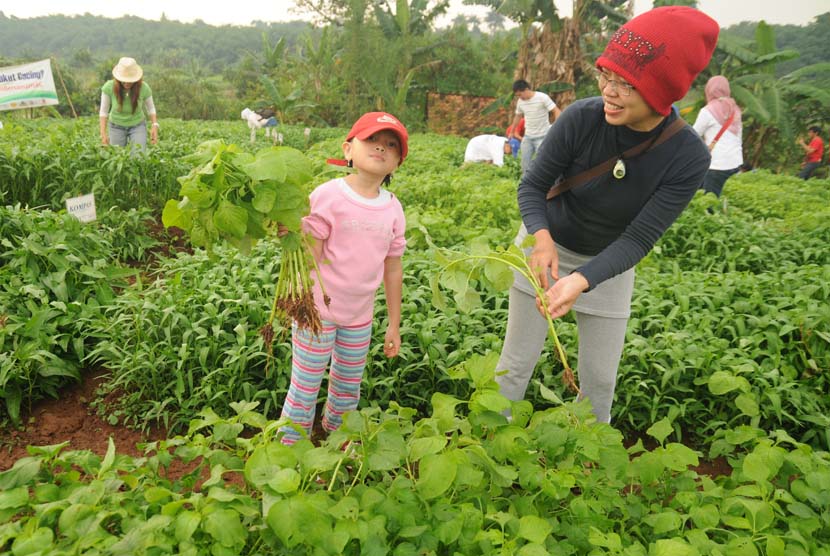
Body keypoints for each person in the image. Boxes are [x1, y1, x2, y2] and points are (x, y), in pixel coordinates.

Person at [496, 6, 719, 424]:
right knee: (515, 363)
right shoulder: (581, 117)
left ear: (663, 90)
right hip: (544, 248)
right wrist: (541, 239)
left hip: (609, 264)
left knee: (599, 380)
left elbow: (638, 239)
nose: (609, 92)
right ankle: (491, 443)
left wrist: (582, 279)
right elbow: (532, 186)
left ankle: (588, 454)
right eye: (605, 76)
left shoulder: (688, 156)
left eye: (626, 83)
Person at [279, 112, 408, 445]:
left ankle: (338, 438)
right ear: (348, 149)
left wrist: (394, 324)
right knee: (305, 385)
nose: (381, 148)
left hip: (360, 317)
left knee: (348, 386)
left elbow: (393, 268)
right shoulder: (329, 195)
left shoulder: (393, 208)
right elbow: (311, 253)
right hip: (317, 313)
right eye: (372, 140)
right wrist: (291, 231)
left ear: (397, 163)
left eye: (391, 145)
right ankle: (290, 447)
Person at [693, 75, 743, 197]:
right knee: (729, 200)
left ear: (709, 90)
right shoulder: (735, 109)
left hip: (717, 165)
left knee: (710, 202)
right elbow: (738, 137)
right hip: (736, 163)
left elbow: (693, 135)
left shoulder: (707, 111)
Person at [99, 57, 158, 150]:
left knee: (138, 154)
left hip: (137, 125)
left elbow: (151, 108)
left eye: (130, 80)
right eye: (124, 80)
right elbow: (103, 111)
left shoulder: (143, 87)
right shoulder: (109, 87)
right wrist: (103, 133)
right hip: (116, 126)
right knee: (117, 155)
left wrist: (154, 125)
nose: (127, 83)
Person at [509, 80, 561, 173]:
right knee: (525, 165)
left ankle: (546, 181)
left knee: (544, 163)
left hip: (542, 137)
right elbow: (518, 117)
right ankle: (526, 181)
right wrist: (512, 132)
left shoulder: (542, 97)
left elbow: (556, 111)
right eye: (517, 96)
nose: (520, 97)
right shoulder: (520, 102)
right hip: (528, 137)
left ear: (526, 89)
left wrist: (556, 127)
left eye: (520, 94)